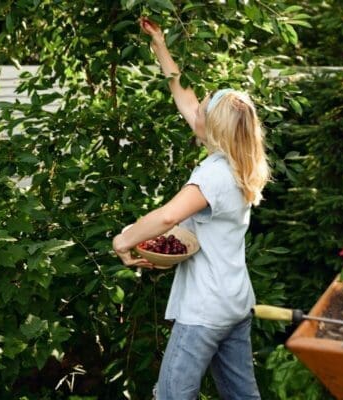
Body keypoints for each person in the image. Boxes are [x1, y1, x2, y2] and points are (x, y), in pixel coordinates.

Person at [112, 17, 269, 400]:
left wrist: (123, 240)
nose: (192, 110)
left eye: (201, 111)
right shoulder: (240, 161)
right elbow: (183, 96)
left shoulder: (214, 173)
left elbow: (168, 216)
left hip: (205, 311)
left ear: (213, 128)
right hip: (234, 303)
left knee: (171, 395)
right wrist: (159, 44)